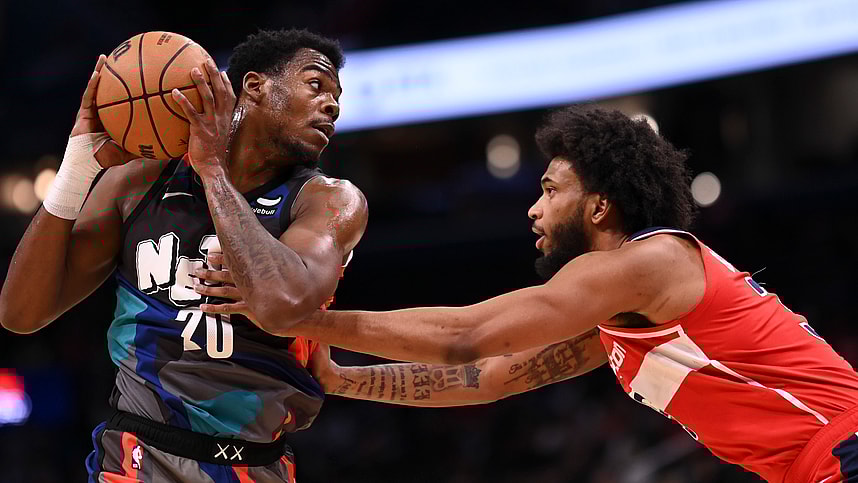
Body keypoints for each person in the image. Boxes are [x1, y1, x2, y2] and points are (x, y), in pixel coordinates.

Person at [195, 106, 858, 483]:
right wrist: (340, 379)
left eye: (549, 188)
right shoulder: (624, 313)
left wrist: (302, 312)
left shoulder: (650, 260)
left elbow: (468, 333)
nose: (534, 211)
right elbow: (487, 376)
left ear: (599, 206)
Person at [0, 29, 367, 483]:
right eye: (316, 85)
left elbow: (280, 304)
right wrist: (78, 167)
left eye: (336, 96)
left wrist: (212, 170)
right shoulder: (138, 182)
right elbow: (20, 313)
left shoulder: (328, 202)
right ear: (254, 86)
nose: (332, 105)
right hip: (138, 455)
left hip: (257, 464)